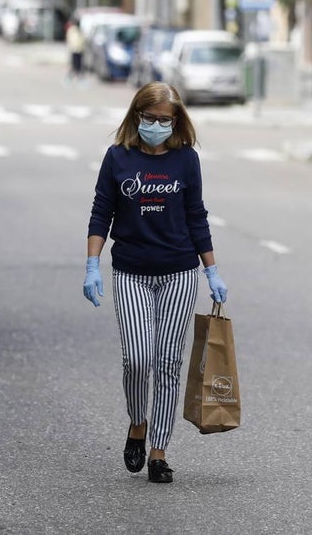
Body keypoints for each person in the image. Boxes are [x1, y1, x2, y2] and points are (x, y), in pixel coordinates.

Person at [82, 82, 228, 484]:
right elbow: (101, 211)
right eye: (151, 118)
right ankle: (137, 423)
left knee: (167, 363)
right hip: (131, 272)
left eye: (166, 120)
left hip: (179, 272)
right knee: (137, 358)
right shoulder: (118, 157)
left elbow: (196, 215)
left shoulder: (186, 160)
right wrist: (92, 264)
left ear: (177, 121)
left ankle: (159, 452)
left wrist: (211, 270)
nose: (158, 126)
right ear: (137, 116)